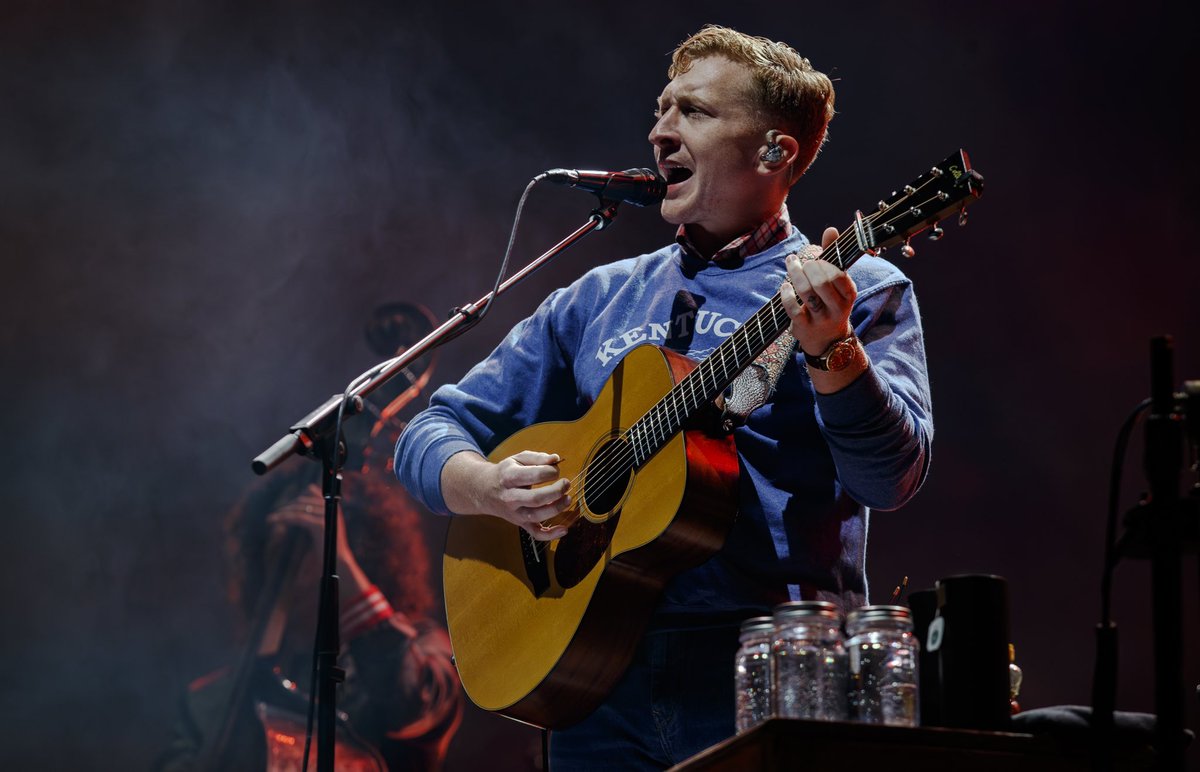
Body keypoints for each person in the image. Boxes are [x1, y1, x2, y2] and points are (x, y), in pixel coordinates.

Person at [394, 24, 932, 770]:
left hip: (771, 663)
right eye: (662, 108)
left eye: (695, 112)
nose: (659, 131)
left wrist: (834, 350)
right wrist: (487, 487)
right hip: (593, 674)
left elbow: (889, 480)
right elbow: (432, 430)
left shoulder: (860, 288)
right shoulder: (598, 298)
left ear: (775, 150)